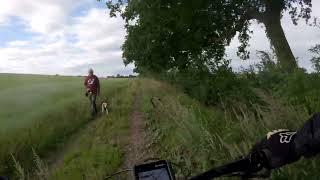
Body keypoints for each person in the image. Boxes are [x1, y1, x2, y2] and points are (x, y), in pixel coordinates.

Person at [249, 112, 320, 171]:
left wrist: (265, 166)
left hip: (307, 142)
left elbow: (278, 162)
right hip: (306, 129)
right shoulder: (269, 137)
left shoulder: (273, 155)